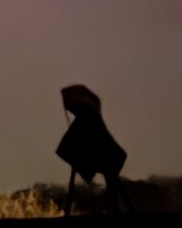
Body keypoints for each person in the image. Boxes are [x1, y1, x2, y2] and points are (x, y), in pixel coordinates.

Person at [54, 84, 129, 215]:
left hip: (100, 155)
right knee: (113, 180)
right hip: (94, 154)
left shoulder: (88, 118)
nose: (71, 111)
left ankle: (117, 208)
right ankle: (118, 208)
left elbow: (102, 140)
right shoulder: (88, 118)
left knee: (112, 179)